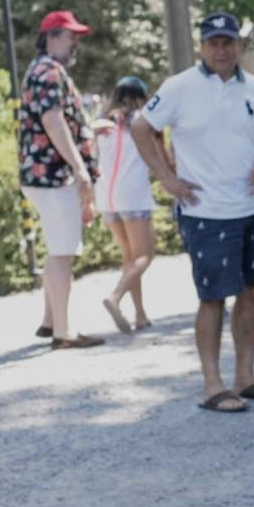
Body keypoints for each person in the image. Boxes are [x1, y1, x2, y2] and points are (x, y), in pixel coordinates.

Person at [131, 11, 254, 412]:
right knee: (213, 297)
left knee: (253, 292)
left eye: (227, 41)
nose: (221, 48)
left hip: (253, 206)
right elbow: (140, 127)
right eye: (213, 41)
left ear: (238, 45)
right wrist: (166, 177)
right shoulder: (179, 87)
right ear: (202, 45)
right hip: (206, 210)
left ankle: (246, 377)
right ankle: (212, 385)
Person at [20, 10, 104, 349]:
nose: (76, 43)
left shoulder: (41, 69)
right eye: (72, 36)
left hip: (43, 174)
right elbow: (53, 122)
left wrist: (89, 130)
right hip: (53, 176)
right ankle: (63, 332)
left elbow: (57, 122)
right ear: (53, 36)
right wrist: (80, 169)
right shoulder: (49, 71)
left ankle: (50, 321)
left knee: (57, 249)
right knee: (62, 253)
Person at [94, 76, 157, 334]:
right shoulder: (142, 120)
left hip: (106, 196)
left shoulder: (102, 122)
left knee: (129, 257)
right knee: (144, 256)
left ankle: (140, 314)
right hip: (133, 194)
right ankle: (115, 296)